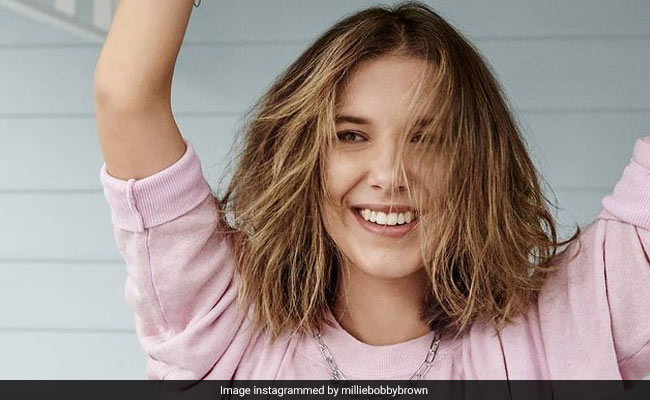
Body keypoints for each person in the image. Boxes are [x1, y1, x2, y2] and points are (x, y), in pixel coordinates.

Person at [94, 0, 650, 380]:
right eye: (351, 136)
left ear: (475, 164)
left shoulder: (573, 321)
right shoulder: (223, 323)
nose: (390, 175)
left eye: (428, 139)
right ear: (302, 158)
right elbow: (125, 97)